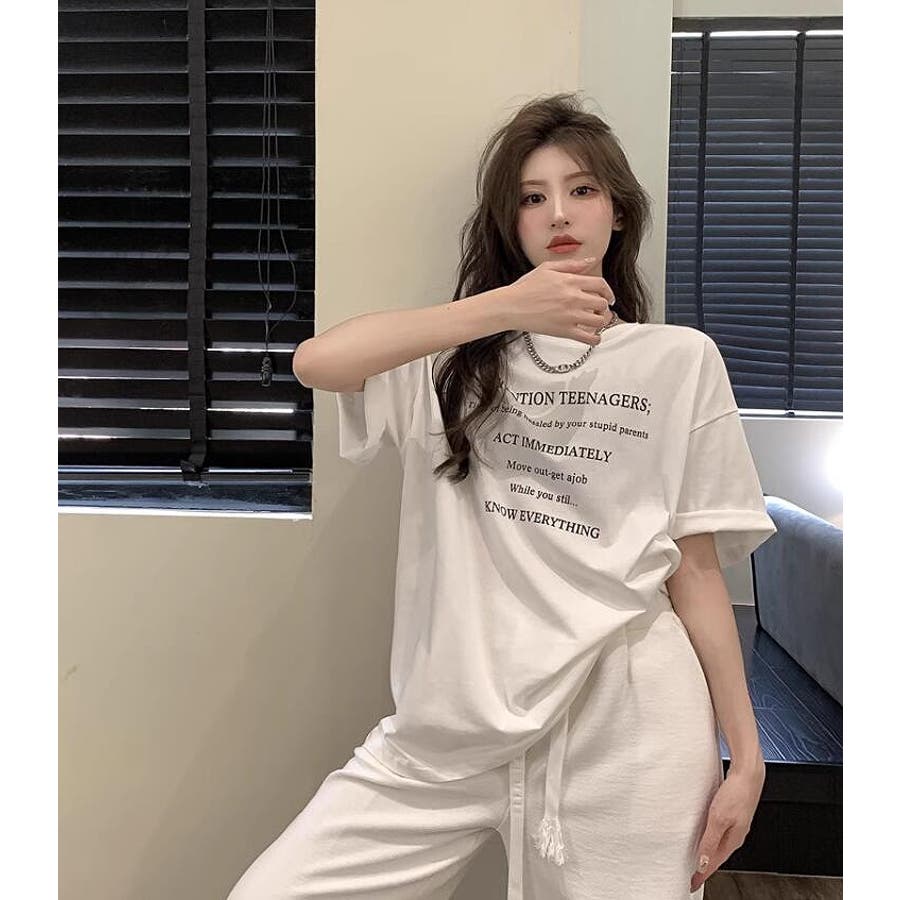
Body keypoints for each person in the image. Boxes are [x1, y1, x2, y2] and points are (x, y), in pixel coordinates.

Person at [226, 91, 775, 900]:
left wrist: (746, 756)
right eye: (531, 197)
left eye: (582, 190)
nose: (560, 213)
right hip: (450, 729)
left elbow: (694, 571)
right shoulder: (448, 359)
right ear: (508, 223)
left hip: (628, 728)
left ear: (618, 210)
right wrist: (504, 307)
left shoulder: (678, 360)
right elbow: (318, 362)